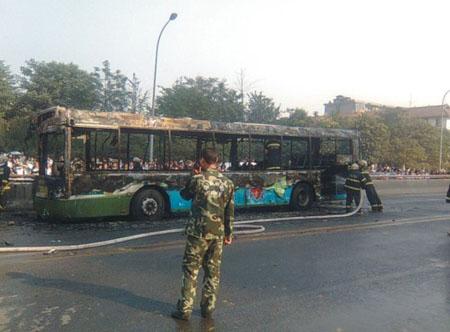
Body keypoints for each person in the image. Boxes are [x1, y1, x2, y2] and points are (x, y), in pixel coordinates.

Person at [172, 148, 235, 321]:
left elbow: (184, 195)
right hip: (218, 234)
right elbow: (229, 212)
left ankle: (185, 309)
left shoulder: (197, 180)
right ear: (217, 161)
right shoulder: (228, 183)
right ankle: (208, 308)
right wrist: (229, 233)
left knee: (191, 270)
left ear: (202, 161)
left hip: (198, 233)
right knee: (212, 271)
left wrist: (193, 175)